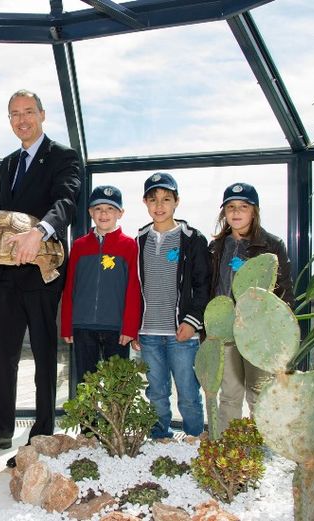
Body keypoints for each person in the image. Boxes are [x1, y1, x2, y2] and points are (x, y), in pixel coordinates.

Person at [0, 89, 80, 468]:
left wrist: (41, 231)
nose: (22, 119)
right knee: (1, 353)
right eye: (15, 114)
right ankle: (0, 429)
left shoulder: (63, 156)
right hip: (7, 271)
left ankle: (41, 434)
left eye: (28, 112)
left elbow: (66, 201)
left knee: (45, 354)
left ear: (42, 115)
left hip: (43, 269)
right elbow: (2, 212)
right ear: (10, 120)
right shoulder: (9, 163)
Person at [210, 182, 294, 431]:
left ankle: (266, 442)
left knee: (259, 394)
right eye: (231, 207)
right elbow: (209, 287)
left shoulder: (271, 245)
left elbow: (284, 289)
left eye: (243, 207)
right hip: (225, 332)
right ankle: (229, 443)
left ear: (254, 211)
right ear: (224, 212)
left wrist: (279, 332)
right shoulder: (216, 247)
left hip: (258, 333)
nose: (236, 212)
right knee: (229, 394)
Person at [134, 172, 208, 439]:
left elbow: (203, 286)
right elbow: (133, 289)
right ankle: (159, 437)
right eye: (153, 199)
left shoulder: (193, 239)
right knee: (156, 391)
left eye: (166, 199)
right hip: (149, 333)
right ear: (145, 202)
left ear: (177, 201)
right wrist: (134, 328)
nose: (159, 205)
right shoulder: (139, 240)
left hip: (182, 334)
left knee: (188, 391)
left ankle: (194, 438)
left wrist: (191, 322)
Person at [61, 185, 141, 386]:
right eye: (98, 208)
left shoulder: (129, 245)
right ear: (90, 212)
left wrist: (130, 327)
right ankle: (88, 420)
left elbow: (133, 289)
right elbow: (70, 286)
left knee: (118, 385)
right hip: (82, 326)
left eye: (110, 209)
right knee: (85, 384)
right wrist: (67, 325)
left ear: (120, 213)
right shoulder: (79, 246)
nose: (104, 214)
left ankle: (115, 419)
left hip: (117, 328)